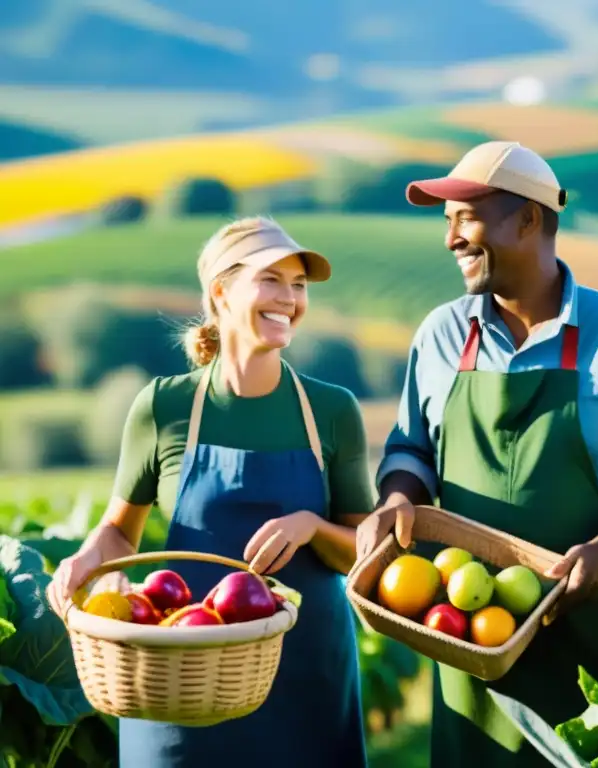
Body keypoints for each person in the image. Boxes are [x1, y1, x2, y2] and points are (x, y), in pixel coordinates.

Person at [354, 141, 598, 767]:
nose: (451, 238)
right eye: (447, 222)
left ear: (528, 219)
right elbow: (410, 450)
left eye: (466, 218)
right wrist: (396, 499)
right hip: (465, 631)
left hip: (590, 630)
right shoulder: (439, 334)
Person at [46, 216, 372, 767]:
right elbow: (118, 536)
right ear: (221, 290)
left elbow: (362, 551)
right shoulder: (164, 406)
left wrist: (312, 528)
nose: (289, 299)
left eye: (298, 285)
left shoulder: (332, 410)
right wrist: (86, 559)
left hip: (303, 675)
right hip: (181, 677)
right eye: (271, 280)